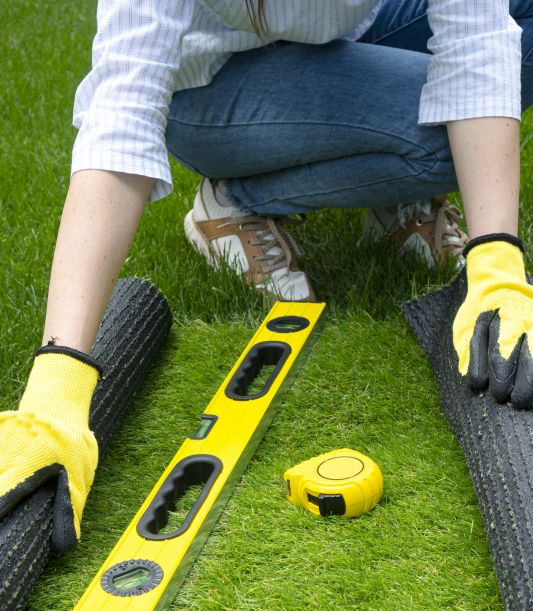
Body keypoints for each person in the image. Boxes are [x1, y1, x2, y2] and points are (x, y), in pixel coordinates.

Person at [0, 0, 532, 551]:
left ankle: (385, 180)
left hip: (344, 30)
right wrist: (58, 386)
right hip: (212, 83)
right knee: (446, 134)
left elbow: (478, 34)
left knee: (505, 51)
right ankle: (236, 199)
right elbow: (119, 120)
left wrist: (496, 260)